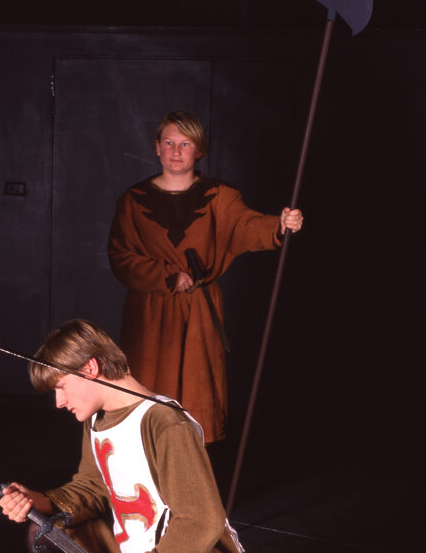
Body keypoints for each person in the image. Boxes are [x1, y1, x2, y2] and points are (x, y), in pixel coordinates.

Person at [0, 319, 250, 553]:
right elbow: (92, 487)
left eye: (61, 387)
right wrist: (39, 501)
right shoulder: (98, 418)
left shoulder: (165, 425)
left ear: (90, 368)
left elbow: (201, 522)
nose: (59, 402)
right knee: (42, 534)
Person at [108, 110, 303, 445]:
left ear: (199, 150)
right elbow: (121, 257)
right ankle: (145, 473)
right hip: (150, 312)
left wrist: (280, 224)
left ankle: (189, 471)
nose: (176, 150)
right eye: (169, 142)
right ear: (157, 147)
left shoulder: (219, 195)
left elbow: (246, 225)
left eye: (186, 143)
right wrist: (166, 276)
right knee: (146, 389)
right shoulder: (133, 200)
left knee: (196, 392)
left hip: (198, 309)